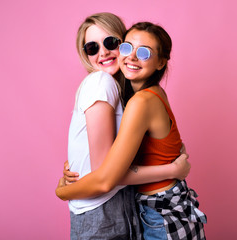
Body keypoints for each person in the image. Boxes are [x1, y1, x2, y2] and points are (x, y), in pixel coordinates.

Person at [56, 21, 206, 239]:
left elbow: (107, 179)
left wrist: (61, 191)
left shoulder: (142, 102)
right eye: (127, 47)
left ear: (161, 62)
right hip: (169, 205)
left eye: (144, 52)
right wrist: (77, 162)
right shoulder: (148, 94)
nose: (132, 57)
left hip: (162, 212)